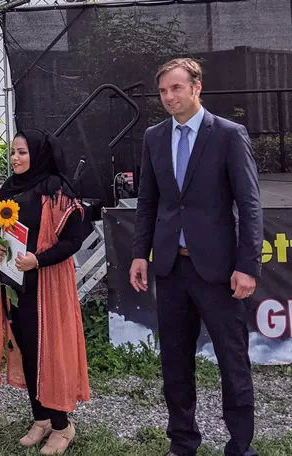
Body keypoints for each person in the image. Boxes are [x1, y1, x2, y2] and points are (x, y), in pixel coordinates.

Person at [130, 58, 262, 456]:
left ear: (196, 87)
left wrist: (247, 266)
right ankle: (182, 442)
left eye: (176, 88)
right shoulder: (154, 137)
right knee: (175, 364)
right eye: (164, 91)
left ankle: (241, 446)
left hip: (220, 272)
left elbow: (250, 204)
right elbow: (148, 202)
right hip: (171, 268)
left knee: (233, 362)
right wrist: (140, 254)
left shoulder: (228, 134)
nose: (169, 97)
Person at [0, 130, 90, 455]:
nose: (15, 159)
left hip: (46, 288)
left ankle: (62, 426)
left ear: (39, 156)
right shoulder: (6, 189)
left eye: (22, 153)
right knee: (27, 351)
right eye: (13, 153)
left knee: (49, 353)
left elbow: (73, 241)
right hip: (14, 286)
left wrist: (38, 260)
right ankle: (41, 417)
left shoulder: (55, 192)